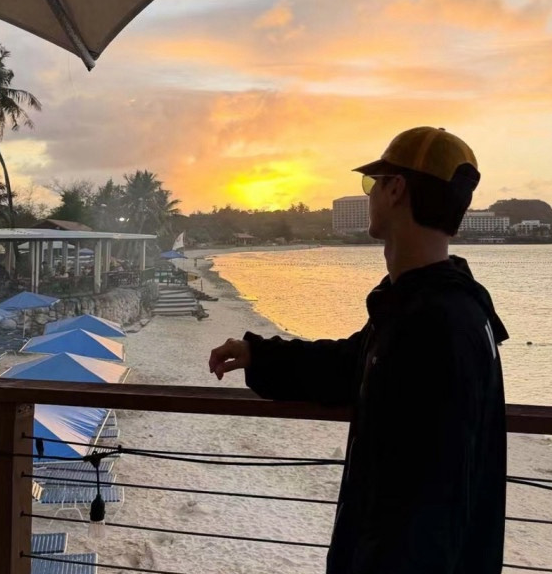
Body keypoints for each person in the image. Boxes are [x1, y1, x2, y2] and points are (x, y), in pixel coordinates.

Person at [209, 127, 509, 574]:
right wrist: (261, 355)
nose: (369, 195)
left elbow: (428, 505)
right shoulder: (432, 304)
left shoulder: (435, 323)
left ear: (396, 189)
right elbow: (353, 364)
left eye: (373, 183)